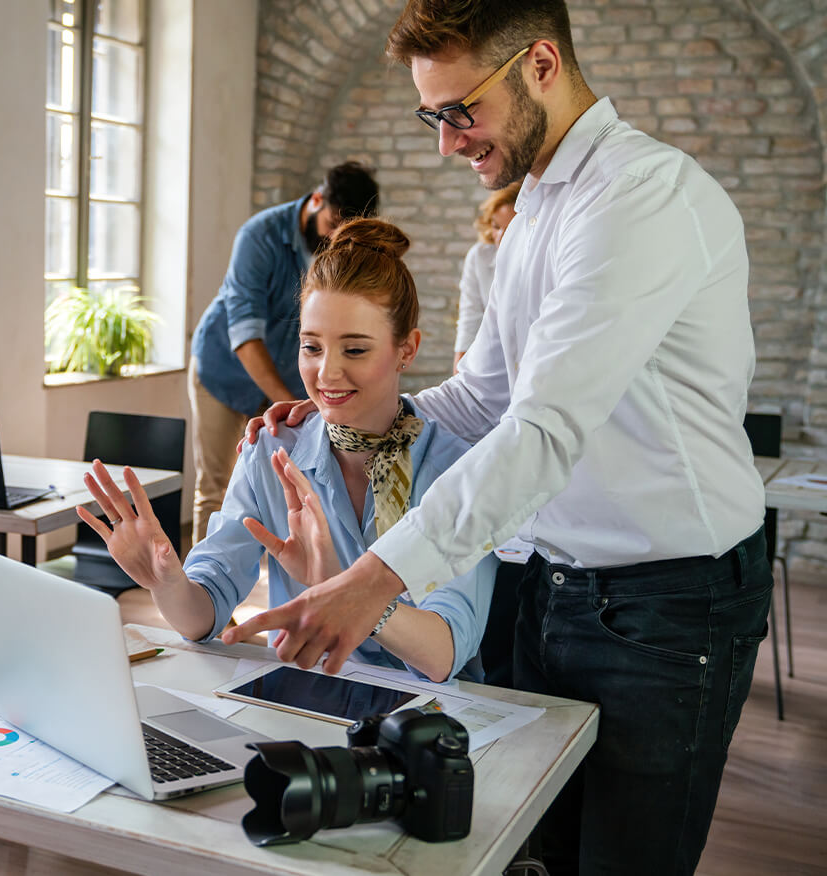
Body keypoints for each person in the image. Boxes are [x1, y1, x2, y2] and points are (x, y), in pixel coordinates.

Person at [232, 2, 771, 874]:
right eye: (432, 115)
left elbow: (541, 429)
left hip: (668, 604)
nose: (448, 142)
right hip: (555, 588)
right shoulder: (533, 214)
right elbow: (482, 396)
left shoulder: (641, 196)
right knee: (535, 850)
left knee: (624, 860)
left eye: (460, 110)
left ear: (541, 65)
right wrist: (350, 414)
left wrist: (371, 579)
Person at [81, 218, 495, 684]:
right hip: (308, 699)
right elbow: (202, 615)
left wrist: (349, 591)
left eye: (355, 350)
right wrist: (167, 582)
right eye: (311, 347)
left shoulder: (458, 469)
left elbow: (444, 652)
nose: (327, 373)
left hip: (429, 715)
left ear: (407, 349)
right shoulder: (271, 450)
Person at [188, 161, 380, 546]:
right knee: (217, 488)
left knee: (287, 485)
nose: (334, 239)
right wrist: (288, 401)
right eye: (332, 226)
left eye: (344, 232)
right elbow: (244, 333)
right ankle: (202, 584)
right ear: (317, 200)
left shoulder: (346, 246)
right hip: (224, 370)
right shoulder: (260, 235)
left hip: (287, 377)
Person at [453, 181, 519, 371]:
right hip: (490, 358)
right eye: (496, 227)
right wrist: (458, 370)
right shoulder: (479, 256)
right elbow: (469, 318)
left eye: (510, 228)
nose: (501, 236)